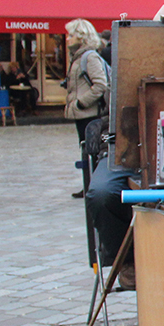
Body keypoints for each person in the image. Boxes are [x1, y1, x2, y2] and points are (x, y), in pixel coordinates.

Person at [63, 20, 110, 195]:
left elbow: (100, 85)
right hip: (81, 113)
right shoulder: (77, 57)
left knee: (93, 151)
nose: (67, 39)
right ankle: (89, 185)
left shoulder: (89, 57)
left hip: (90, 113)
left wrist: (81, 102)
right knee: (86, 150)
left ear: (82, 37)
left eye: (71, 35)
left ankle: (93, 187)